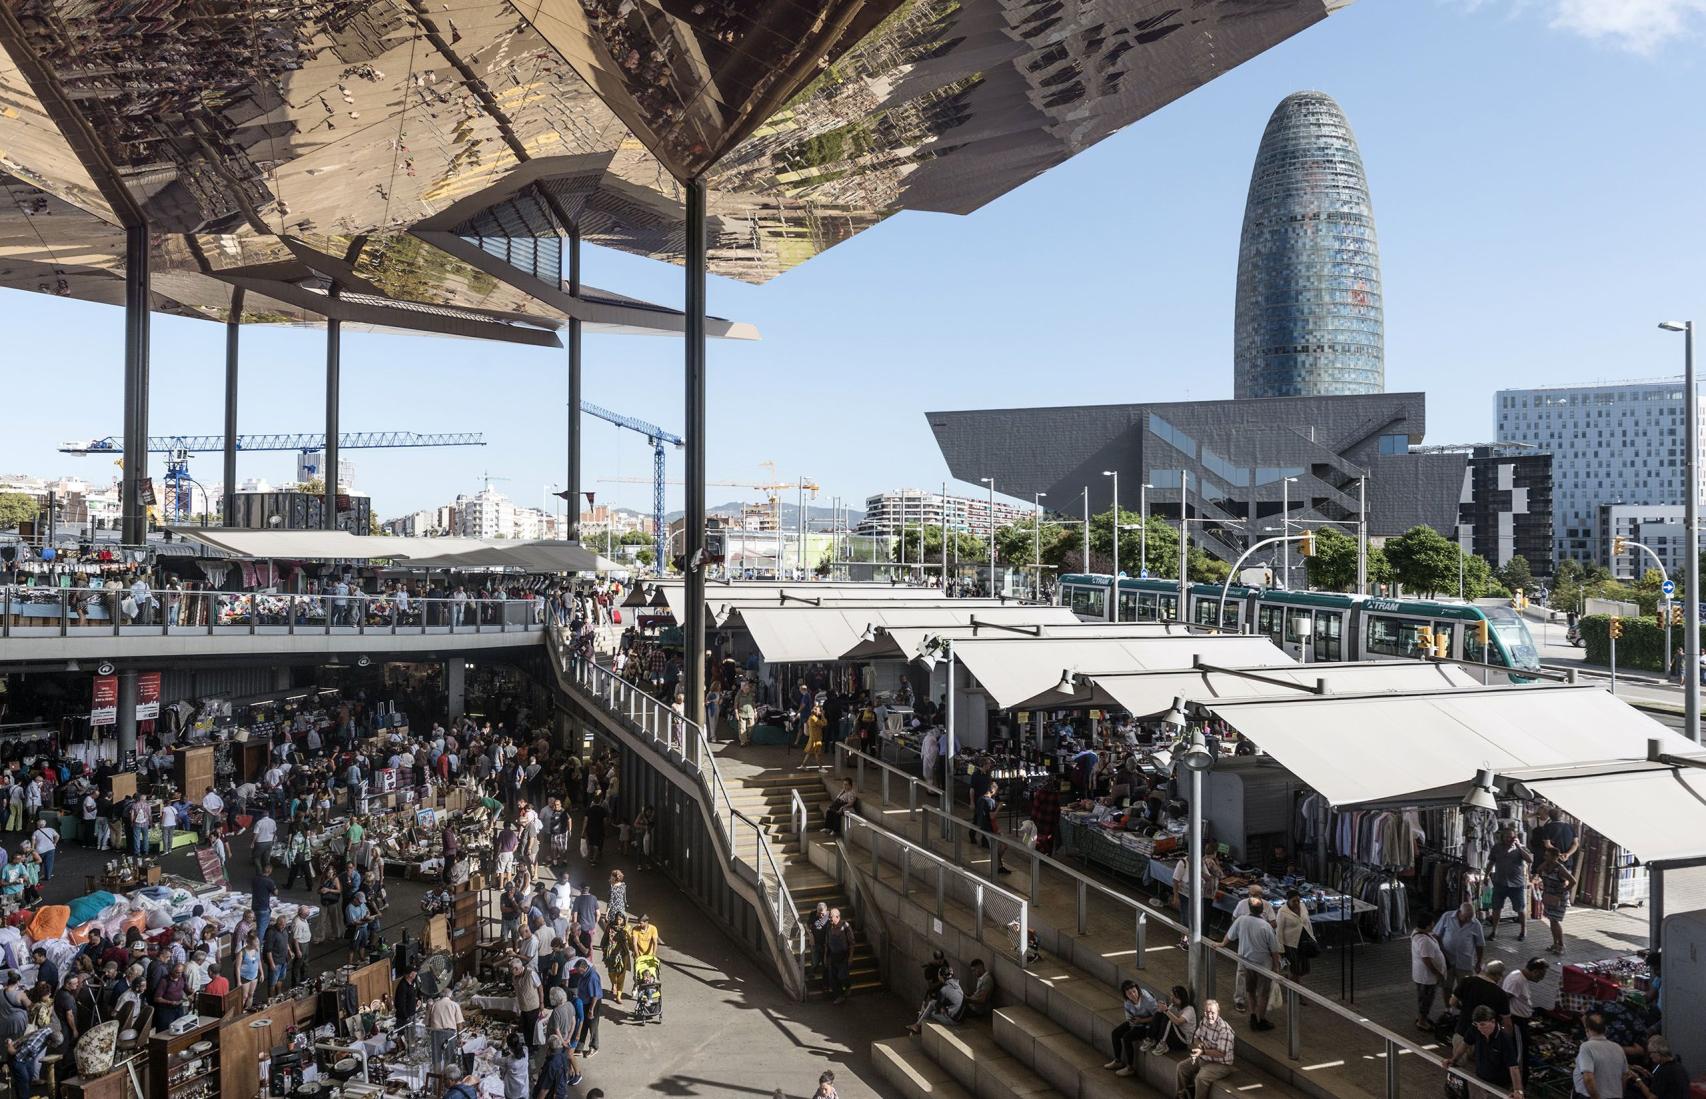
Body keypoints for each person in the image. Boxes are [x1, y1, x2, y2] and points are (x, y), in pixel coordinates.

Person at [1221, 897, 1281, 1031]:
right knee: (1263, 994)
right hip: (1263, 966)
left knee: (1251, 991)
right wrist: (1276, 967)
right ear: (1262, 910)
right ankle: (1261, 1019)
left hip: (1247, 963)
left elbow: (1229, 936)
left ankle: (1253, 1016)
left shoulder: (1242, 920)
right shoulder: (1265, 926)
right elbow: (1274, 950)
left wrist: (1222, 944)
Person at [1452, 1005, 1522, 1098]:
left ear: (1493, 1021)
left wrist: (1518, 1091)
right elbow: (1465, 1044)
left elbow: (1513, 1067)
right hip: (1480, 1079)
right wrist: (1453, 1060)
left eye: (1482, 1024)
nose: (1480, 1028)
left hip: (1499, 1085)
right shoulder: (1476, 1029)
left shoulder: (1504, 1039)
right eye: (1477, 1024)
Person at [1175, 998, 1235, 1099]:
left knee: (1201, 1078)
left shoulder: (1225, 1030)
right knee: (1181, 1067)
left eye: (1212, 1012)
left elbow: (1221, 1053)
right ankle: (1180, 1096)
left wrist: (1203, 1051)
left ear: (1218, 1012)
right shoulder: (1204, 1022)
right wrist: (1200, 1046)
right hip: (1203, 1057)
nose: (1209, 1015)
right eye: (1207, 1012)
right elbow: (1196, 1038)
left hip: (1220, 1064)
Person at [1450, 961, 1512, 1057]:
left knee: (1457, 1063)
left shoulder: (1467, 981)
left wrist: (1464, 1008)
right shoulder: (1501, 994)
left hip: (1462, 1030)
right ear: (1498, 975)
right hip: (1484, 1037)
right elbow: (1507, 1023)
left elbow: (1452, 1002)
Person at [1103, 979, 1160, 1076]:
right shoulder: (1127, 1002)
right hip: (1136, 1022)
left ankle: (1130, 1067)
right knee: (1115, 1033)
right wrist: (1133, 1022)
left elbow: (1158, 1017)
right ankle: (1118, 1061)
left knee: (1127, 1037)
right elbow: (1129, 1016)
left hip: (1148, 1025)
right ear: (1126, 995)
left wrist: (1141, 1021)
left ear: (1137, 989)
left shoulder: (1148, 1000)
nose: (1133, 995)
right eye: (1129, 994)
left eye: (1134, 991)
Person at [1487, 826, 1533, 941]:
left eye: (1511, 837)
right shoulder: (1497, 848)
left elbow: (1529, 860)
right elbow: (1491, 862)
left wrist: (1518, 846)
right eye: (1507, 837)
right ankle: (1494, 930)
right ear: (1502, 837)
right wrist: (1486, 875)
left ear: (1515, 837)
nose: (1509, 839)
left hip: (1516, 884)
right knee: (1496, 908)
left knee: (1520, 908)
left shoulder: (1520, 848)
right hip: (1499, 882)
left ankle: (1523, 930)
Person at [1502, 957, 1547, 1071]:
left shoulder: (1521, 978)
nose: (1541, 979)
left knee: (1522, 1048)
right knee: (1520, 1051)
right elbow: (1504, 1000)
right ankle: (1519, 1077)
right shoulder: (1517, 980)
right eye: (1541, 975)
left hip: (1520, 1020)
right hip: (1516, 1021)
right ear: (1535, 971)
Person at [1433, 903, 1486, 992]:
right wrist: (1439, 954)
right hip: (1447, 961)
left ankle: (1462, 1005)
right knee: (1446, 987)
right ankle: (1448, 1006)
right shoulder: (1447, 916)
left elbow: (1480, 944)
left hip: (1465, 962)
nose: (1468, 920)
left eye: (1470, 917)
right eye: (1466, 917)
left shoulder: (1476, 924)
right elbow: (1436, 935)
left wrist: (1479, 962)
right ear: (1460, 912)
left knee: (1465, 988)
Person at [1573, 1012, 1628, 1099]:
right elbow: (1624, 1076)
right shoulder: (1618, 1048)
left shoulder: (1587, 1047)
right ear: (1605, 1030)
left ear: (1587, 1030)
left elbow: (1588, 1078)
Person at [1536, 848, 1578, 956]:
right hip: (1549, 896)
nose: (1545, 857)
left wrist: (1563, 890)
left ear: (1554, 857)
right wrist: (1546, 862)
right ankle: (1555, 944)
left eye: (1547, 855)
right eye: (1545, 855)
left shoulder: (1560, 868)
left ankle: (1561, 945)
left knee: (1555, 921)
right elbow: (1538, 870)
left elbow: (1573, 881)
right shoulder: (1546, 866)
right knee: (1551, 921)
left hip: (1558, 898)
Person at [905, 964, 964, 1034]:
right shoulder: (956, 983)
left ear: (941, 976)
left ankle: (918, 1026)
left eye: (938, 975)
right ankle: (917, 1025)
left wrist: (940, 1009)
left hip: (953, 1020)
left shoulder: (943, 990)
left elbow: (938, 1008)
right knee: (932, 1003)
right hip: (960, 1016)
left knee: (932, 1013)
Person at [1630, 1034, 1688, 1099]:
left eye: (1651, 1053)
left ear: (1659, 1052)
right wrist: (1646, 1072)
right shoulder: (1679, 1067)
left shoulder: (1663, 1072)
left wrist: (1637, 1079)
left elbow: (1652, 1097)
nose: (1650, 1056)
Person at [1276, 890, 1316, 982]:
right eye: (1294, 901)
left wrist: (1312, 937)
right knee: (1295, 969)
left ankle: (1297, 984)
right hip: (1291, 945)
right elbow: (1279, 931)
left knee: (1304, 968)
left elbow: (1308, 923)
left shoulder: (1303, 907)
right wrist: (1280, 949)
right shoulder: (1282, 911)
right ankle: (1295, 987)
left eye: (1298, 900)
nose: (1297, 903)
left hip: (1304, 942)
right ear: (1288, 901)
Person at [1144, 985, 1198, 1055]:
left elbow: (1178, 1022)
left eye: (1175, 997)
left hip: (1182, 1042)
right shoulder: (1173, 1006)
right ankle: (1150, 1039)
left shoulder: (1189, 1009)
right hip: (1173, 1038)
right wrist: (1161, 1009)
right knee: (1159, 1014)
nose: (1172, 999)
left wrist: (1166, 1010)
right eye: (1171, 996)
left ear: (1182, 998)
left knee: (1168, 1018)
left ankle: (1162, 1044)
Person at [822, 908, 855, 1004]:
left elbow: (852, 943)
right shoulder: (829, 927)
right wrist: (825, 956)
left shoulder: (845, 926)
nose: (829, 919)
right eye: (829, 917)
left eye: (831, 917)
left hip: (843, 956)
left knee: (842, 976)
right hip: (833, 956)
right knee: (832, 979)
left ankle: (848, 986)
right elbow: (827, 944)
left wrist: (851, 957)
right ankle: (839, 996)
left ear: (838, 917)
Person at [427, 986, 464, 1070]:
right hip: (449, 1033)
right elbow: (459, 1023)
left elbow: (428, 1022)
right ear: (450, 996)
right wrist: (459, 1037)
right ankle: (447, 1079)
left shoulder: (434, 1005)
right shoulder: (454, 1005)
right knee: (449, 1058)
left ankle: (437, 1081)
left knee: (436, 1059)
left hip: (435, 1033)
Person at [500, 1031, 530, 1099]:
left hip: (512, 1092)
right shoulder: (526, 1051)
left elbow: (495, 1059)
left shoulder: (508, 1060)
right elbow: (523, 1044)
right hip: (524, 1090)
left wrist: (501, 1046)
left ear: (509, 1046)